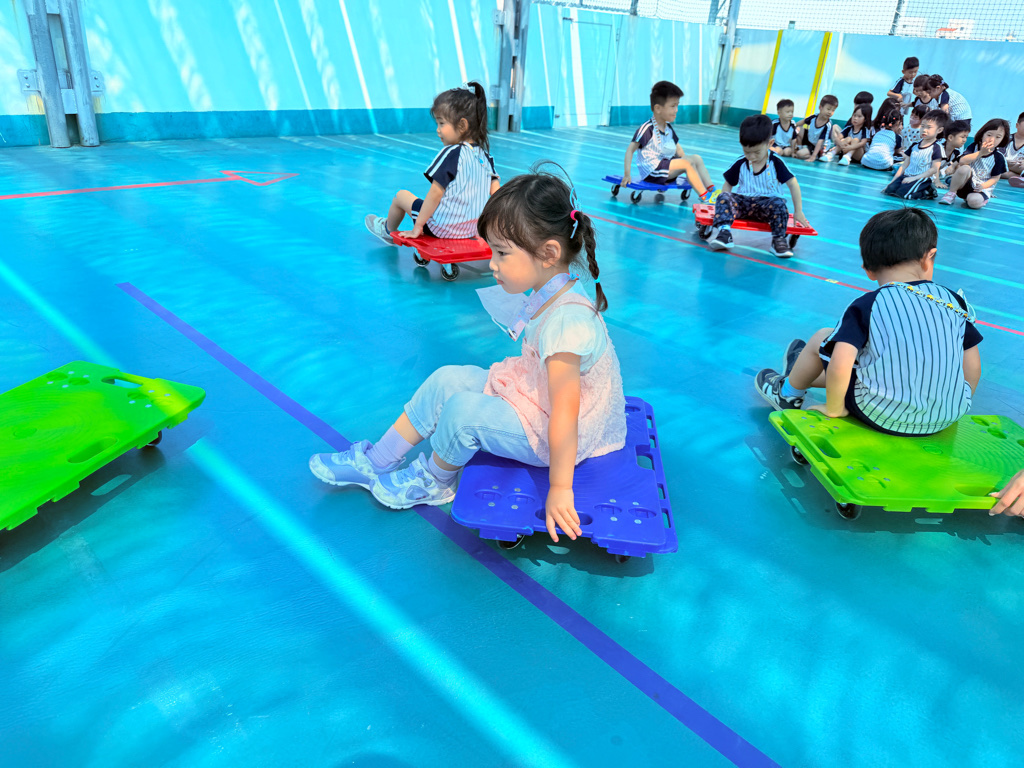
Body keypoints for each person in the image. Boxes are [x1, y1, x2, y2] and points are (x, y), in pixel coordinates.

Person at [312, 167, 627, 543]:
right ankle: (378, 460)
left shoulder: (567, 324)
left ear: (548, 254)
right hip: (537, 398)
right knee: (447, 378)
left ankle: (436, 480)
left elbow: (565, 413)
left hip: (556, 431)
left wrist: (561, 488)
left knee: (463, 413)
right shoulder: (551, 289)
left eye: (502, 253)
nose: (491, 263)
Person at [755, 207, 982, 437]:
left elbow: (842, 362)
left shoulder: (868, 304)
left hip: (880, 414)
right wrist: (959, 402)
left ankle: (788, 392)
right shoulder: (953, 303)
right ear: (929, 257)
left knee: (822, 338)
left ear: (868, 270)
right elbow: (972, 364)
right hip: (946, 415)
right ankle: (804, 373)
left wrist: (834, 408)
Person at [365, 82, 499, 243]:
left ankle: (388, 230)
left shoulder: (452, 154)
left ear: (462, 125)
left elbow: (435, 193)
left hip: (441, 228)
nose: (438, 129)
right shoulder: (485, 157)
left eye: (442, 123)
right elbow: (497, 195)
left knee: (401, 196)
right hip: (471, 229)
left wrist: (418, 227)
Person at [706, 114, 808, 259]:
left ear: (770, 143)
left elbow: (793, 184)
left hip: (767, 205)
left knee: (779, 204)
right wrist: (724, 207)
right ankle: (724, 233)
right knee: (723, 196)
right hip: (744, 203)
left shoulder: (776, 162)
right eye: (747, 152)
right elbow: (728, 184)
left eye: (757, 152)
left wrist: (798, 211)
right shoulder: (741, 163)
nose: (752, 156)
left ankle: (778, 240)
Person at [623, 81, 716, 202]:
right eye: (673, 106)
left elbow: (678, 148)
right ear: (658, 108)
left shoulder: (668, 128)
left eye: (677, 106)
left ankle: (712, 190)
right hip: (652, 171)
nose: (676, 110)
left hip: (665, 167)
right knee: (687, 164)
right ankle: (705, 197)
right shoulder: (647, 129)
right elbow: (630, 150)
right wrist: (627, 175)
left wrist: (688, 161)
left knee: (696, 158)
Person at [939, 118, 1010, 208]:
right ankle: (951, 193)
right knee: (964, 168)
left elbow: (995, 178)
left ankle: (979, 199)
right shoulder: (973, 147)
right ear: (982, 134)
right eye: (989, 135)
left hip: (980, 188)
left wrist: (983, 186)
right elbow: (962, 161)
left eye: (998, 137)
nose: (992, 139)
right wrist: (980, 153)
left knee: (974, 203)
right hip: (966, 183)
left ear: (1003, 139)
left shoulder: (999, 157)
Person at [884, 109, 947, 199]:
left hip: (922, 179)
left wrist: (913, 178)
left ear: (939, 130)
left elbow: (934, 169)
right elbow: (904, 166)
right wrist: (891, 182)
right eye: (922, 126)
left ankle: (927, 192)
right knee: (889, 190)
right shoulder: (914, 145)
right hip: (907, 176)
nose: (924, 130)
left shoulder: (937, 148)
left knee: (903, 194)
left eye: (929, 127)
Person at [795, 95, 840, 162]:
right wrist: (794, 125)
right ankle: (799, 148)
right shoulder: (814, 117)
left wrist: (812, 157)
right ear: (820, 107)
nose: (830, 112)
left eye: (833, 110)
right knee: (799, 129)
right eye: (828, 109)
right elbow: (803, 121)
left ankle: (815, 155)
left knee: (800, 154)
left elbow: (820, 142)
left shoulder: (827, 125)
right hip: (811, 141)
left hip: (819, 148)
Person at [935, 119, 971, 189]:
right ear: (950, 137)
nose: (964, 140)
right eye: (962, 137)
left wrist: (953, 166)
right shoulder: (938, 149)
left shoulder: (955, 152)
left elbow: (960, 160)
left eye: (966, 137)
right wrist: (937, 182)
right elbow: (935, 167)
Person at [1000, 111, 1024, 185]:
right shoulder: (1005, 139)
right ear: (1017, 125)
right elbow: (997, 158)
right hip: (1004, 168)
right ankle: (1020, 178)